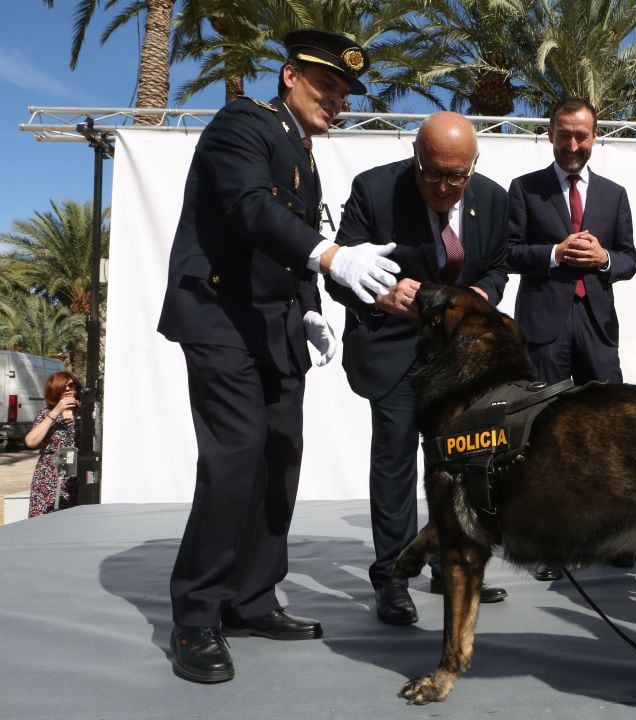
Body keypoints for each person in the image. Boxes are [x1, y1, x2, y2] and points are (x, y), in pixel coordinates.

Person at [158, 29, 400, 684]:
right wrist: (330, 257)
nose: (338, 102)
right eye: (328, 86)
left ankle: (251, 597)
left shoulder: (302, 151)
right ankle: (197, 615)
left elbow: (292, 239)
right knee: (234, 461)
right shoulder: (242, 124)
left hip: (275, 326)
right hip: (219, 317)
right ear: (290, 75)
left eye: (346, 93)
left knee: (279, 461)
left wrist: (314, 304)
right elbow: (251, 211)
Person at [324, 111, 511, 626]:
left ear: (474, 165)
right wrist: (380, 292)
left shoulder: (492, 198)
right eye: (432, 173)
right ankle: (392, 577)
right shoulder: (374, 191)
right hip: (393, 349)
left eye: (457, 176)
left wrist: (482, 294)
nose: (444, 187)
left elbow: (498, 263)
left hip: (457, 359)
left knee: (457, 462)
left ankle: (449, 564)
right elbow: (338, 275)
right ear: (415, 155)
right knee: (396, 461)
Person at [506, 97, 636, 581]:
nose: (573, 144)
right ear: (550, 134)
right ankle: (549, 543)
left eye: (582, 135)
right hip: (544, 325)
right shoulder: (525, 189)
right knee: (541, 433)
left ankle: (617, 534)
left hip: (597, 326)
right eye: (565, 134)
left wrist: (603, 258)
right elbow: (510, 252)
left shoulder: (614, 194)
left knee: (611, 428)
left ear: (594, 136)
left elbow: (628, 260)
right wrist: (556, 254)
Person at [24, 371, 81, 517]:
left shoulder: (84, 414)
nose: (68, 389)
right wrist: (57, 411)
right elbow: (31, 441)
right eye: (63, 386)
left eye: (71, 385)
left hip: (77, 478)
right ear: (55, 390)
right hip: (49, 477)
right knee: (44, 522)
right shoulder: (46, 414)